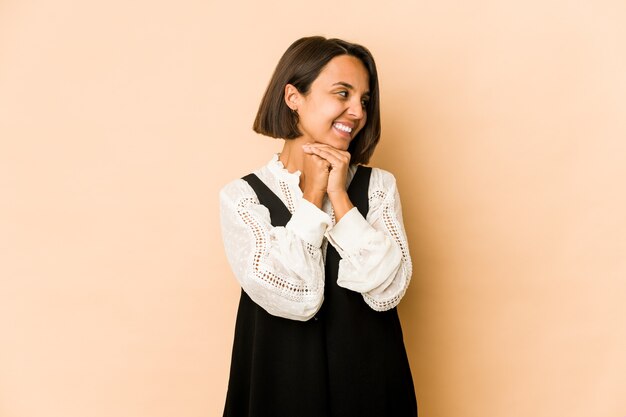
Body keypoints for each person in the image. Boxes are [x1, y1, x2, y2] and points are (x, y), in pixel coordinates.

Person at [220, 36, 417, 417]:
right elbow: (297, 298)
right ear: (293, 97)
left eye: (364, 100)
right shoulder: (242, 197)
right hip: (280, 385)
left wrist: (339, 196)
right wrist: (312, 193)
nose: (357, 111)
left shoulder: (379, 186)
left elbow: (387, 290)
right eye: (342, 93)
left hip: (370, 387)